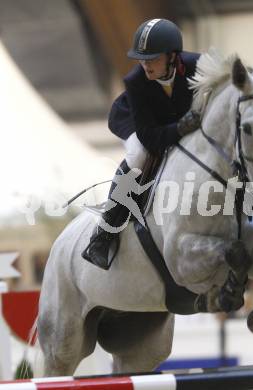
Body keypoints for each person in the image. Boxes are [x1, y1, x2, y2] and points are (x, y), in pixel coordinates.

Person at [82, 18, 201, 269]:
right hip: (134, 120)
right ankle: (104, 234)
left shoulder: (197, 66)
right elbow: (149, 135)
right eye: (141, 58)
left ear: (172, 56)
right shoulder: (136, 81)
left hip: (173, 119)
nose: (145, 64)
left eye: (153, 58)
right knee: (138, 154)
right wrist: (179, 129)